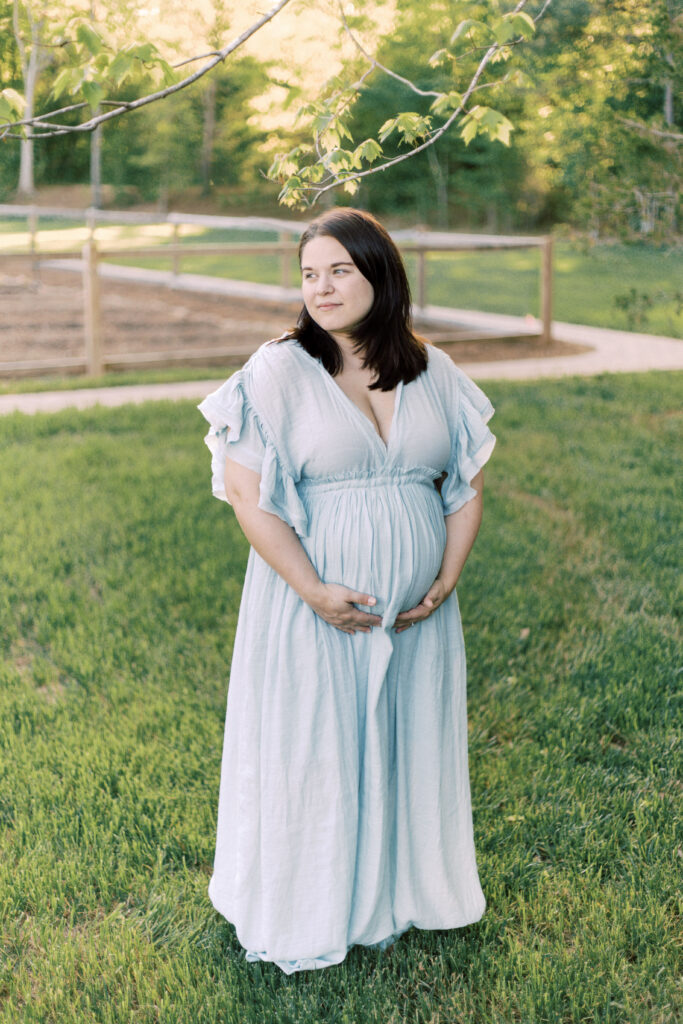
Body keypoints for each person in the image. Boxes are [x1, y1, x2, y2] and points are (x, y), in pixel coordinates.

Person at [198, 207, 496, 974]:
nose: (320, 287)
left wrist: (444, 577)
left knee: (405, 744)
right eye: (308, 273)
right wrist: (312, 589)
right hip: (314, 607)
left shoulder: (434, 369)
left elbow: (463, 485)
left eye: (339, 270)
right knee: (316, 750)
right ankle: (308, 904)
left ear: (379, 273)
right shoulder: (276, 371)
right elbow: (244, 493)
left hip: (419, 613)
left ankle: (395, 892)